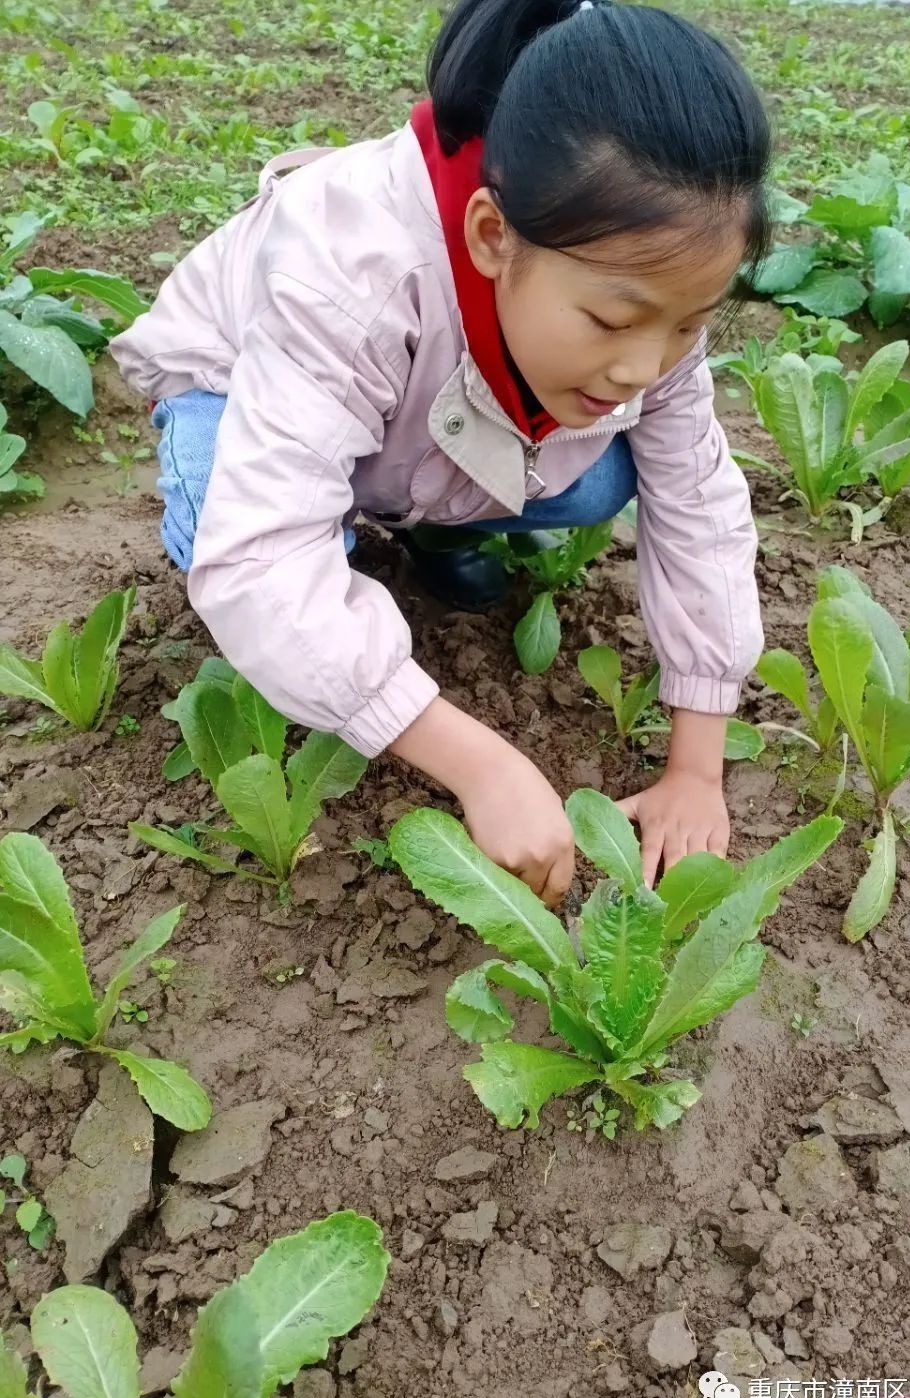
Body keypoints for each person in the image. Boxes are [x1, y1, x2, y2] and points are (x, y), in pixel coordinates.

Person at [110, 0, 771, 909]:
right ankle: (351, 547)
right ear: (493, 236)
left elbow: (697, 497)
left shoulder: (642, 298)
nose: (643, 365)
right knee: (246, 546)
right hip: (237, 388)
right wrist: (479, 764)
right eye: (614, 322)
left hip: (423, 413)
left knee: (609, 472)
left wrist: (696, 767)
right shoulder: (352, 267)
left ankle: (428, 533)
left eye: (689, 324)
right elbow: (259, 555)